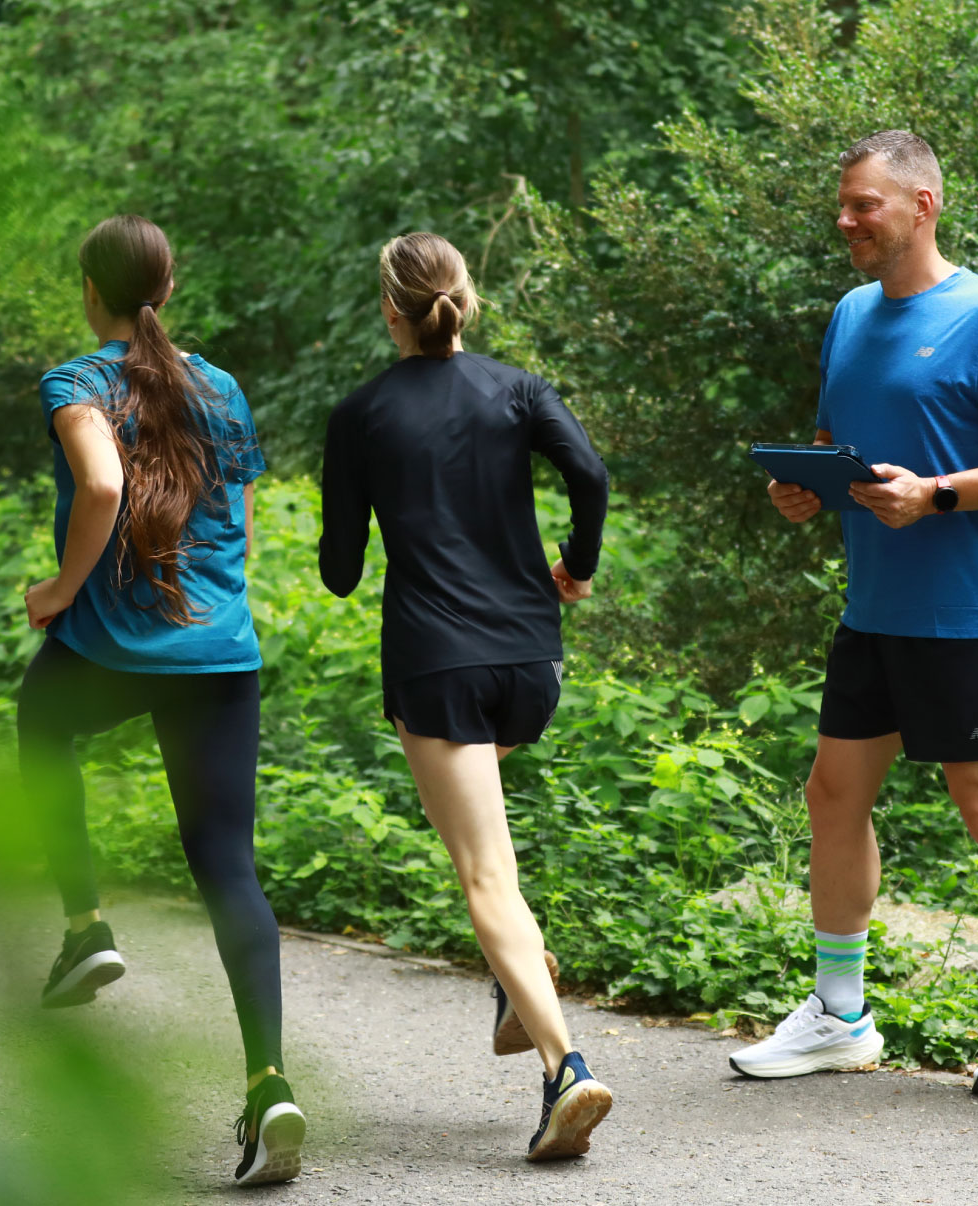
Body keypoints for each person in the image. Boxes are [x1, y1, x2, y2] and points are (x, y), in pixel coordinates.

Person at [731, 131, 978, 1097]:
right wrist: (806, 486)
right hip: (873, 609)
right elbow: (837, 438)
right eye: (842, 205)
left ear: (922, 204)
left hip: (969, 611)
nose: (844, 220)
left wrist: (940, 494)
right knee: (833, 796)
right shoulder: (849, 313)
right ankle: (841, 1017)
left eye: (863, 206)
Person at [15, 214, 303, 1184]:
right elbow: (242, 533)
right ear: (166, 289)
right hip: (218, 653)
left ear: (88, 289)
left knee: (39, 721)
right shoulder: (219, 388)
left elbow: (98, 485)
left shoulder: (78, 381)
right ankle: (270, 1087)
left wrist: (58, 591)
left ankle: (85, 926)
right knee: (228, 867)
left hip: (109, 649)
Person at [319, 232, 614, 1160]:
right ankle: (512, 979)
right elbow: (592, 475)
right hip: (530, 665)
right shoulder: (518, 389)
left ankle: (566, 1068)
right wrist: (576, 566)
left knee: (484, 875)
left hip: (437, 665)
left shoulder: (360, 413)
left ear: (388, 311)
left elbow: (338, 573)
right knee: (489, 854)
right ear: (465, 300)